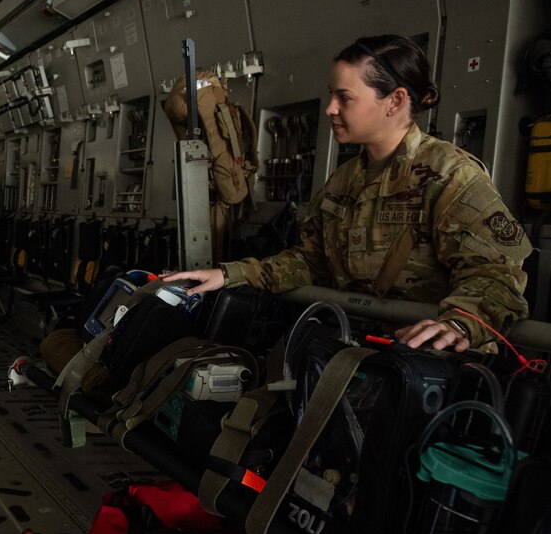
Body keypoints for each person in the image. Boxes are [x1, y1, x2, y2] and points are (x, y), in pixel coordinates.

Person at [164, 34, 532, 353]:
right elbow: (310, 261)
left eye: (345, 97)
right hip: (355, 350)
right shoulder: (344, 181)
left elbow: (499, 274)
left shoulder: (451, 176)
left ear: (395, 100)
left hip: (431, 368)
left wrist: (459, 324)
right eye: (331, 95)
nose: (331, 109)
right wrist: (229, 275)